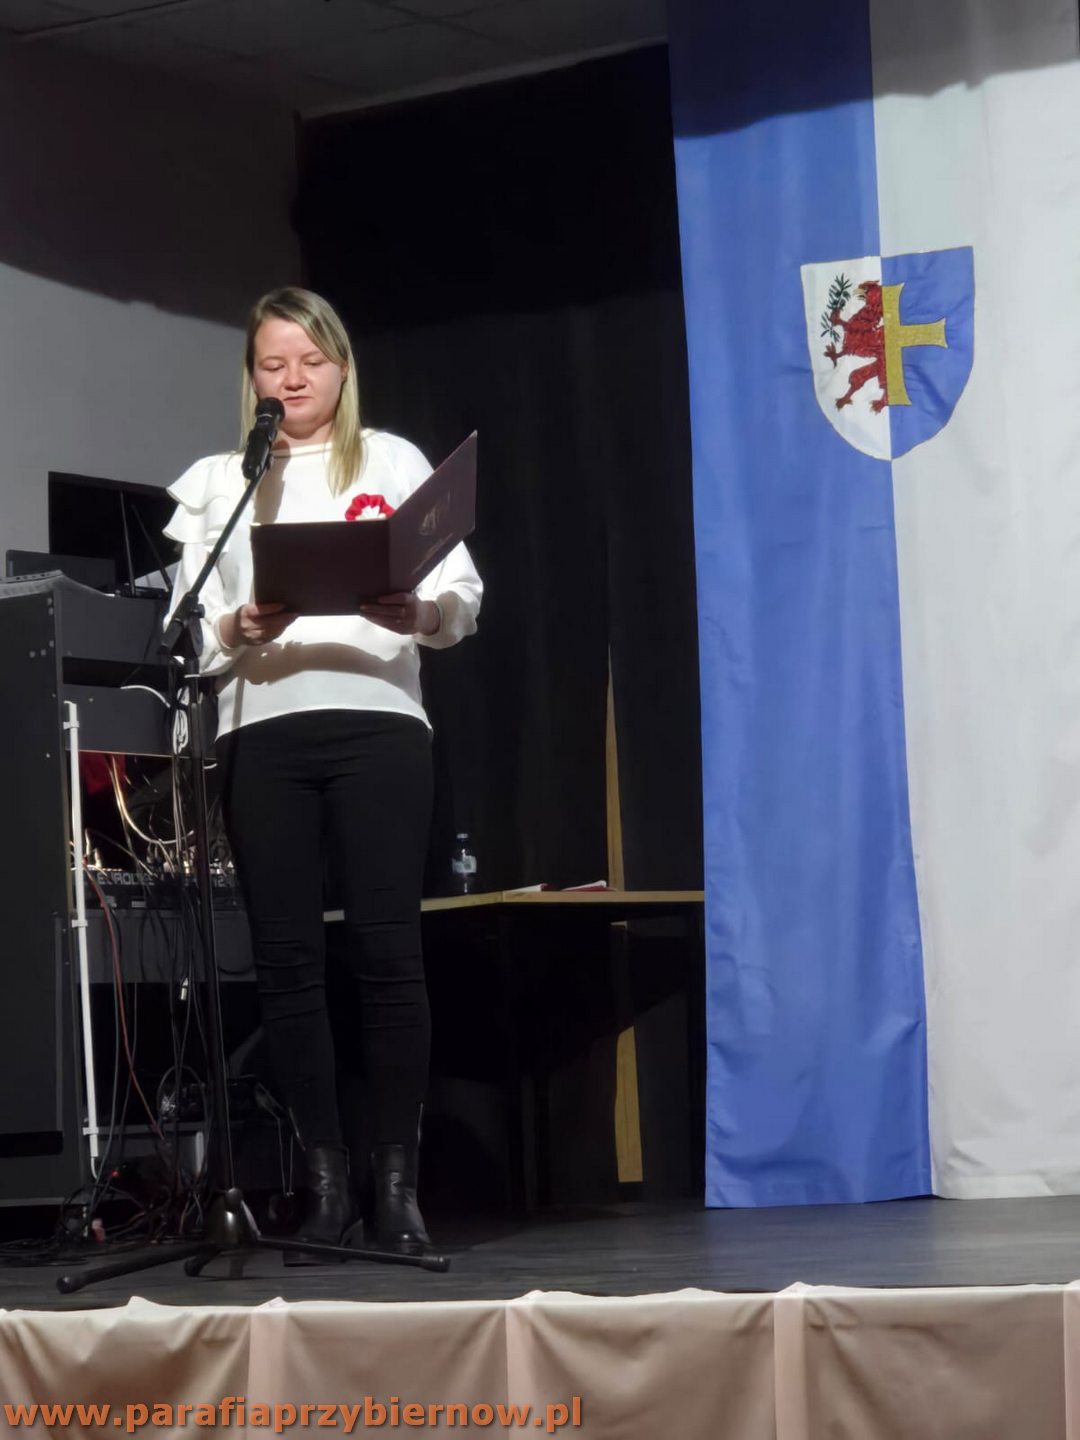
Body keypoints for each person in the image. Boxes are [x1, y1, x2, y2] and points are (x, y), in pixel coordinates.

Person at [163, 286, 482, 1258]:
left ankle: (398, 1185)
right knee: (288, 962)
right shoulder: (221, 482)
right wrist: (236, 624)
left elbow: (461, 593)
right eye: (273, 364)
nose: (293, 380)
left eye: (310, 361)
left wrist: (418, 614)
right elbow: (186, 630)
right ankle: (325, 1182)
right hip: (264, 730)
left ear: (342, 368)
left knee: (388, 953)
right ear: (251, 377)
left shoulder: (390, 460)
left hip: (378, 723)